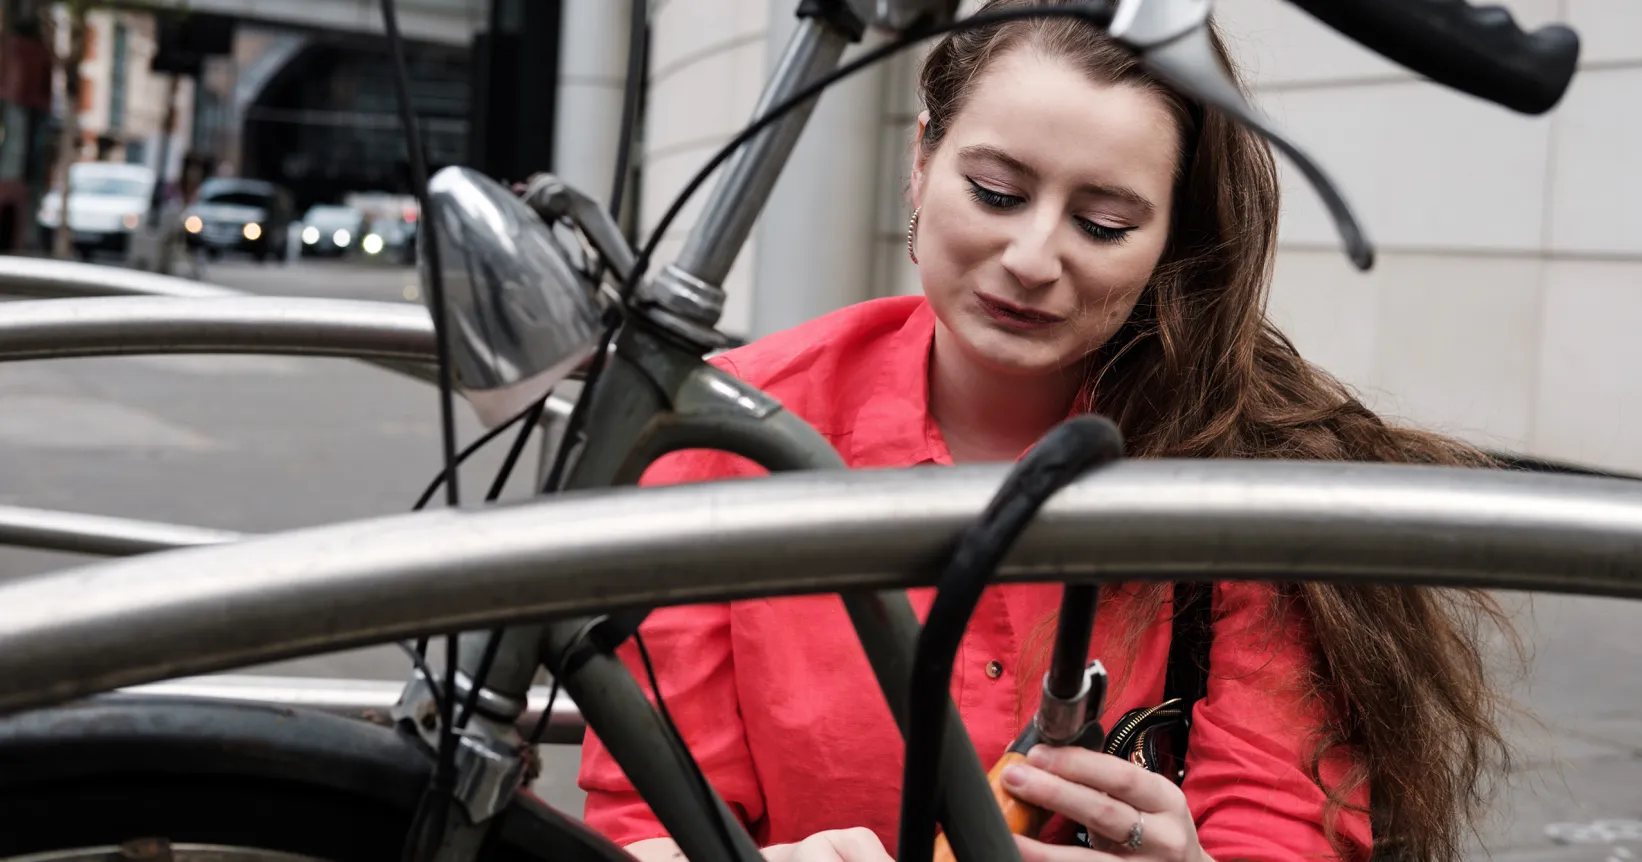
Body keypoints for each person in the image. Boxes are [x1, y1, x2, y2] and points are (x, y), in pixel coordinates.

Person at [576, 3, 1513, 862]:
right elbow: (646, 825)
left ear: (1170, 243)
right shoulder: (732, 427)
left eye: (1103, 224)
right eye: (994, 191)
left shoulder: (1246, 467)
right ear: (921, 161)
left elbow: (1286, 833)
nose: (1031, 259)